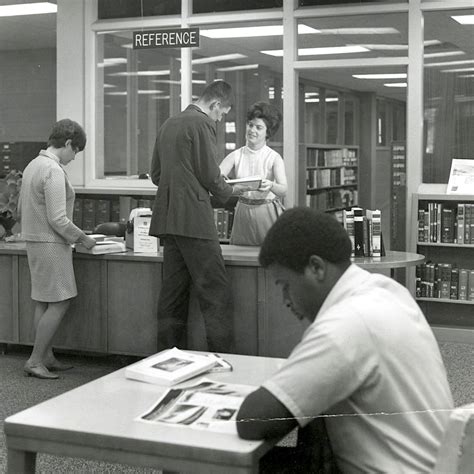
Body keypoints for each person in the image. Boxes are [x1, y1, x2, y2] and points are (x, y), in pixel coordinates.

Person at [237, 207, 454, 473]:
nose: (285, 299)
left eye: (285, 285)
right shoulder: (386, 291)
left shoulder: (346, 324)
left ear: (316, 267)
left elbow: (250, 420)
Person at [149, 80, 248, 352]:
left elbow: (156, 174)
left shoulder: (169, 123)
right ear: (215, 105)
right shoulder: (202, 123)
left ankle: (167, 358)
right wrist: (236, 192)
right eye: (221, 113)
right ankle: (223, 358)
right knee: (216, 294)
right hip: (194, 221)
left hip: (169, 221)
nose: (219, 118)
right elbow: (209, 174)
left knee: (172, 295)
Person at [20, 119, 96, 380]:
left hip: (34, 240)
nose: (74, 158)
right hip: (51, 243)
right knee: (61, 301)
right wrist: (83, 238)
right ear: (67, 144)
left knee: (44, 300)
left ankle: (45, 356)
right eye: (75, 151)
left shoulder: (33, 165)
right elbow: (58, 218)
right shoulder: (52, 169)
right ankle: (35, 360)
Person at [219, 101, 287, 246]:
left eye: (259, 127)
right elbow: (216, 178)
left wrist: (271, 185)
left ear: (268, 132)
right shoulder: (236, 155)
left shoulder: (274, 157)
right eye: (250, 125)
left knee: (269, 253)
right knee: (239, 253)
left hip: (266, 211)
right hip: (243, 210)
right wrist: (223, 180)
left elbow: (283, 189)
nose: (252, 130)